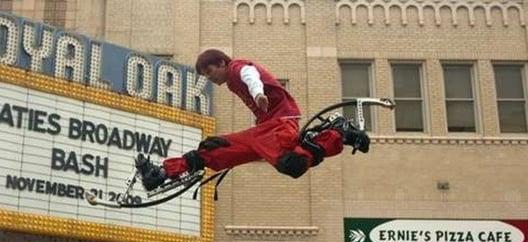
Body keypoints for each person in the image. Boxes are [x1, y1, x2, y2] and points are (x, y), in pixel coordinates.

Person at [135, 49, 369, 193]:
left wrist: (258, 94)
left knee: (292, 163)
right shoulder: (231, 80)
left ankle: (339, 133)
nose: (209, 78)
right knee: (213, 149)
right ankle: (161, 173)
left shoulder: (237, 68)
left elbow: (250, 75)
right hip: (264, 131)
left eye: (209, 72)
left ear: (221, 64)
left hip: (281, 122)